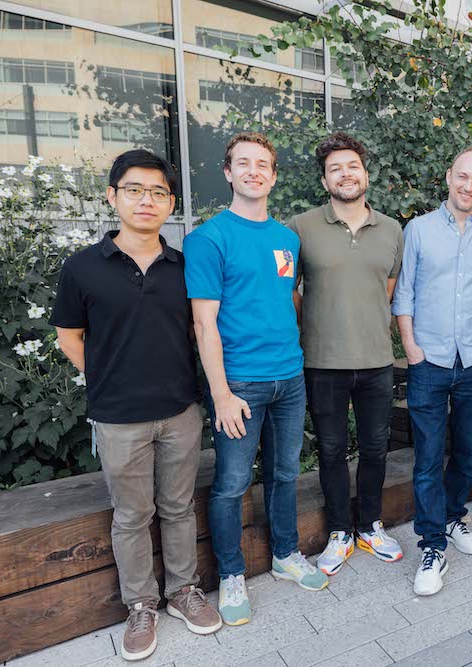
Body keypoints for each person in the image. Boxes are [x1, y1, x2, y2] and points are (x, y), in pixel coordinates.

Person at [51, 150, 222, 661]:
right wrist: (107, 379)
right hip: (118, 417)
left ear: (170, 202)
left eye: (158, 192)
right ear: (113, 195)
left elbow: (202, 328)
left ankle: (182, 593)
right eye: (134, 190)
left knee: (177, 507)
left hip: (180, 411)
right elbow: (68, 337)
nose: (146, 201)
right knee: (130, 515)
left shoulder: (184, 266)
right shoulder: (83, 268)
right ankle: (140, 604)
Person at [184, 132, 327, 627]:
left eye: (262, 164)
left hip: (289, 378)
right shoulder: (208, 239)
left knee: (286, 473)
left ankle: (286, 555)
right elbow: (203, 323)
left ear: (273, 174)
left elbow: (288, 302)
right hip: (239, 385)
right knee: (230, 484)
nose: (253, 171)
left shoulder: (286, 239)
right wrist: (220, 393)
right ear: (227, 173)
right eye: (243, 164)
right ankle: (231, 575)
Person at [392, 147, 472, 596]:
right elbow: (403, 292)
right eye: (462, 177)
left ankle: (452, 515)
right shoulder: (419, 230)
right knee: (427, 456)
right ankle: (432, 545)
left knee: (465, 449)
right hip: (429, 359)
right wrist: (410, 346)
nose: (469, 186)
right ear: (449, 176)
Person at [287, 132, 405, 575]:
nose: (345, 174)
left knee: (376, 447)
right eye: (335, 168)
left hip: (376, 360)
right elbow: (290, 290)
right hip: (322, 362)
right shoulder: (301, 227)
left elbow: (388, 291)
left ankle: (370, 526)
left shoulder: (392, 229)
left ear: (365, 173)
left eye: (352, 166)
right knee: (333, 450)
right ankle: (340, 530)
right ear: (325, 181)